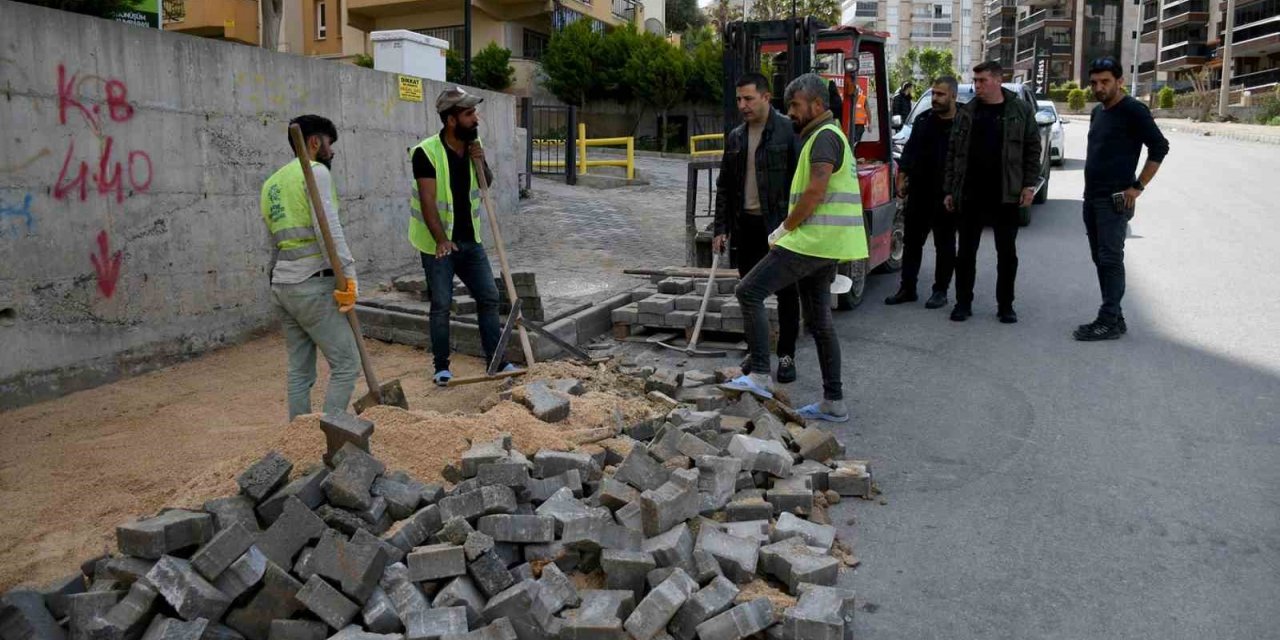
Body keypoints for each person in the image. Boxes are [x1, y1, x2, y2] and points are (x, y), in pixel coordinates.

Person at [721, 73, 866, 423]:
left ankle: (758, 373)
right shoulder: (821, 136)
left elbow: (815, 191)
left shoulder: (824, 139)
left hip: (811, 241)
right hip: (826, 244)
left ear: (818, 105)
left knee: (749, 291)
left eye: (797, 106)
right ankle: (834, 401)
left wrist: (785, 228)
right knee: (819, 321)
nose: (793, 113)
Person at [409, 87, 514, 385]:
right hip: (438, 244)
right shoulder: (425, 152)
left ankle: (497, 359)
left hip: (471, 241)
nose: (476, 119)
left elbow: (486, 184)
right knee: (442, 303)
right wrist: (442, 241)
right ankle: (441, 367)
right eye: (469, 114)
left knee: (489, 297)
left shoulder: (473, 144)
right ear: (451, 120)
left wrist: (479, 161)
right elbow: (428, 201)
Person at [260, 114, 360, 421]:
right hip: (312, 285)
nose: (332, 151)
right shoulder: (315, 172)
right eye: (329, 144)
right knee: (346, 364)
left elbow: (269, 243)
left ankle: (299, 438)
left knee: (299, 370)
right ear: (315, 142)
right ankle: (330, 436)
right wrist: (349, 276)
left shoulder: (272, 183)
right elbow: (327, 230)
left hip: (283, 287)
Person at [713, 73, 801, 383]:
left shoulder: (788, 131)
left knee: (788, 293)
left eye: (748, 98)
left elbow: (800, 184)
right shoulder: (736, 136)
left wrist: (795, 226)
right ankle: (757, 352)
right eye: (739, 99)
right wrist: (720, 228)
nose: (742, 105)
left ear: (766, 97)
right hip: (746, 226)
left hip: (780, 226)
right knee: (750, 293)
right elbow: (724, 186)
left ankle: (787, 354)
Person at [1074, 57, 1169, 341]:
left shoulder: (1133, 110)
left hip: (1114, 200)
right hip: (1091, 198)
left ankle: (1108, 320)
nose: (1098, 87)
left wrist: (1138, 186)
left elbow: (1159, 147)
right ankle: (1115, 317)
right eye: (1094, 82)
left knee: (1110, 259)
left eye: (1105, 82)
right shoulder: (1098, 112)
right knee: (1100, 259)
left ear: (1119, 81)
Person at [943, 60, 1041, 324]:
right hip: (971, 193)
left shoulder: (1019, 110)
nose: (977, 86)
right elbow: (953, 153)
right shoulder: (967, 112)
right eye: (975, 81)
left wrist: (1029, 185)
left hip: (1006, 194)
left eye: (982, 81)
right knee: (965, 253)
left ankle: (1006, 305)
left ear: (998, 80)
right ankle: (963, 303)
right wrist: (950, 189)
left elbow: (1033, 150)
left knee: (1007, 253)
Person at [886, 76, 958, 309]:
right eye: (933, 94)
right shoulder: (923, 120)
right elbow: (909, 154)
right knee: (912, 242)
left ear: (953, 96)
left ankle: (940, 291)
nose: (935, 99)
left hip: (946, 195)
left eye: (940, 94)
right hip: (920, 192)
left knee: (944, 244)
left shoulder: (963, 124)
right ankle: (908, 288)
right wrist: (901, 179)